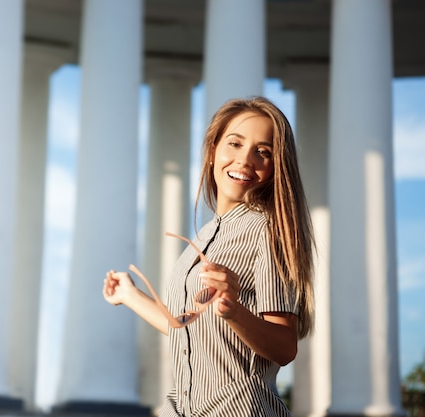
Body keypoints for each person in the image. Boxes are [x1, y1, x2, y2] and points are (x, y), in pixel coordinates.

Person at [102, 96, 315, 417]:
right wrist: (131, 296)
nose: (245, 159)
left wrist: (233, 311)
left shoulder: (267, 231)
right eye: (235, 143)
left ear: (275, 167)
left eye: (263, 152)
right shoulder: (203, 237)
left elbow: (285, 347)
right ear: (213, 151)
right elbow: (186, 328)